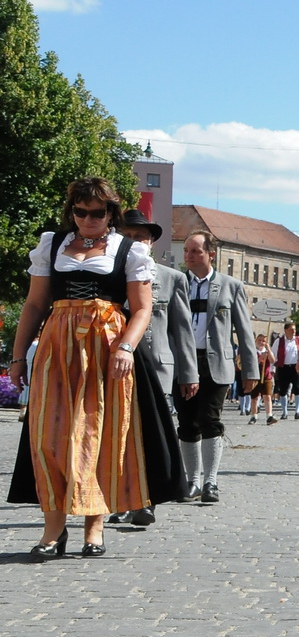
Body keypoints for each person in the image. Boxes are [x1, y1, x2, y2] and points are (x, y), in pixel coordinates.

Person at [4, 179, 156, 557]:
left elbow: (142, 308)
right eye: (80, 210)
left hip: (106, 350)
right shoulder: (52, 244)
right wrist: (18, 356)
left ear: (111, 214)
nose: (88, 218)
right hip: (57, 347)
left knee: (97, 434)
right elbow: (35, 305)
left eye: (97, 212)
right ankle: (53, 530)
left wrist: (126, 347)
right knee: (48, 437)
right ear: (71, 211)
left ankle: (94, 526)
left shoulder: (129, 250)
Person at [106, 208, 193, 530]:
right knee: (118, 435)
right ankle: (120, 498)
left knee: (152, 436)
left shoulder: (172, 279)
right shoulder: (109, 275)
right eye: (128, 236)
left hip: (158, 368)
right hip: (116, 365)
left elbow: (182, 331)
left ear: (152, 242)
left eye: (140, 237)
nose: (134, 242)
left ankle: (147, 501)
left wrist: (188, 374)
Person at [175, 230, 258, 503]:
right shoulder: (177, 283)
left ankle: (210, 481)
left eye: (195, 251)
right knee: (186, 422)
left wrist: (250, 370)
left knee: (209, 419)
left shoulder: (230, 286)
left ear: (211, 254)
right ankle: (192, 480)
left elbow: (244, 332)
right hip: (183, 362)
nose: (188, 256)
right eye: (186, 250)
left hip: (216, 363)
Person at [273, 321, 299, 420]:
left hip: (296, 367)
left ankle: (297, 411)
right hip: (283, 367)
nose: (293, 331)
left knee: (298, 388)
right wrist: (273, 367)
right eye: (291, 329)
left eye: (294, 329)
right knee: (283, 390)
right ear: (285, 330)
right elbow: (273, 355)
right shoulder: (279, 341)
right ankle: (284, 412)